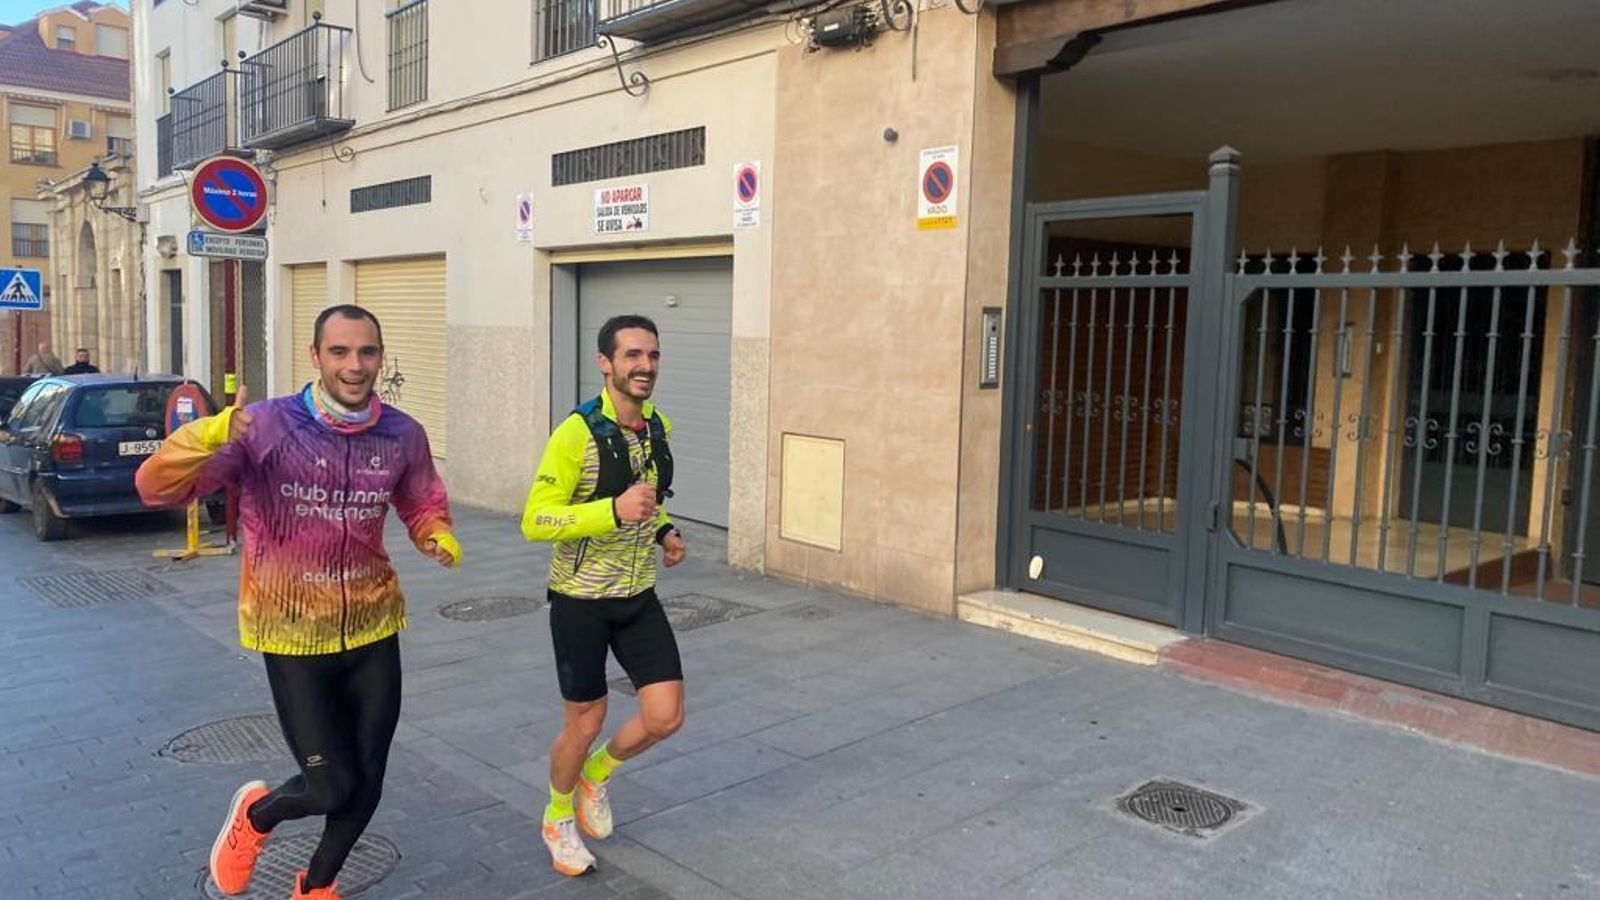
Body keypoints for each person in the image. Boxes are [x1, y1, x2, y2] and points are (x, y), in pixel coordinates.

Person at [136, 305, 461, 900]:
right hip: (290, 630)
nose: (353, 366)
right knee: (331, 786)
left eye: (366, 352)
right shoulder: (262, 426)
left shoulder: (402, 434)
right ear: (315, 356)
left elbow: (419, 500)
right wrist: (206, 434)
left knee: (369, 781)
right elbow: (157, 487)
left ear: (381, 358)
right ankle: (256, 818)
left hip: (372, 623)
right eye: (339, 352)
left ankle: (315, 887)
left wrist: (433, 532)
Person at [521, 314, 687, 877]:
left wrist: (663, 530)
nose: (645, 366)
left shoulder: (655, 425)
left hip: (639, 595)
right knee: (585, 721)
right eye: (633, 355)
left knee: (665, 717)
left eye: (653, 356)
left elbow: (647, 495)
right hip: (581, 602)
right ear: (605, 363)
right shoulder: (576, 433)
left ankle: (598, 772)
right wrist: (610, 512)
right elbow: (534, 520)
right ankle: (557, 816)